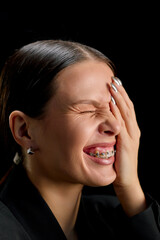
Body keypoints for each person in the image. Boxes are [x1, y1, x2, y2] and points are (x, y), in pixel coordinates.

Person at [0, 40, 159, 240]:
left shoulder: (115, 218)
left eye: (113, 108)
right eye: (87, 110)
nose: (115, 126)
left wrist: (130, 188)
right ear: (24, 131)